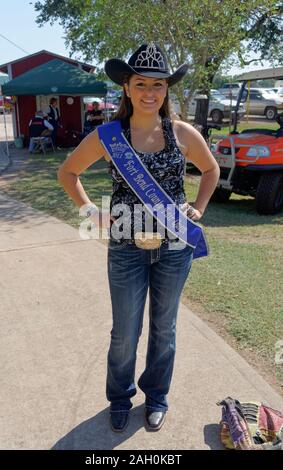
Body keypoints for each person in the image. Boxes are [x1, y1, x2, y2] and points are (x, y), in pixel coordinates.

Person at [57, 42, 220, 433]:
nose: (150, 93)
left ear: (167, 90)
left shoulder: (182, 133)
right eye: (141, 83)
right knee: (125, 331)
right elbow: (67, 173)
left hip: (174, 247)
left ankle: (157, 397)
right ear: (127, 88)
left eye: (158, 85)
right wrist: (90, 212)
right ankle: (118, 398)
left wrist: (198, 207)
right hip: (126, 248)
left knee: (165, 329)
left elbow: (211, 170)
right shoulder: (108, 136)